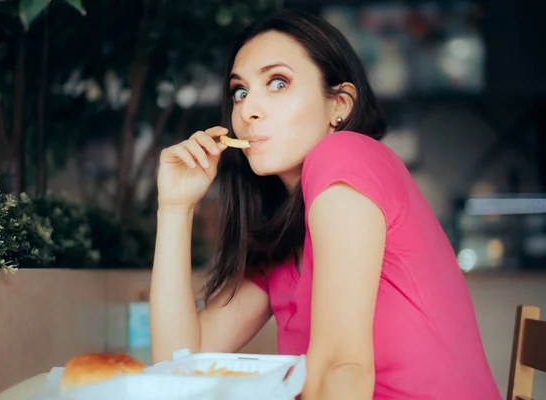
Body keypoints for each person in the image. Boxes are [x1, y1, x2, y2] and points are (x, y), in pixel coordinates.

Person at [150, 8, 500, 400]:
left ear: (340, 105)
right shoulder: (282, 238)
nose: (248, 111)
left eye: (278, 83)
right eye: (240, 91)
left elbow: (342, 366)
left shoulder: (345, 155)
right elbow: (179, 364)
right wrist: (175, 208)